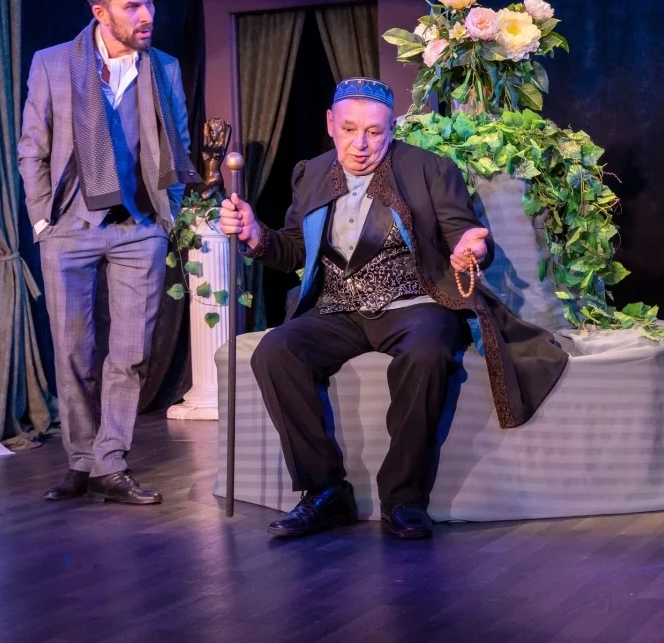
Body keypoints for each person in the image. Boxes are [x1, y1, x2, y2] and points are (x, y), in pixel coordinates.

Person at [218, 77, 568, 539]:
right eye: (349, 130)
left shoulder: (430, 169)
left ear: (392, 128)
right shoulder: (312, 173)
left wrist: (471, 249)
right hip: (338, 306)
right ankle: (324, 491)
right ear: (330, 124)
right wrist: (255, 235)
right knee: (275, 352)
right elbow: (294, 250)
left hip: (415, 302)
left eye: (374, 132)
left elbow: (465, 235)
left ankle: (404, 498)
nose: (360, 144)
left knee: (426, 353)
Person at [18, 0, 199, 504]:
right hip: (69, 225)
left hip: (139, 227)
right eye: (132, 6)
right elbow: (33, 147)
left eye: (150, 3)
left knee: (130, 353)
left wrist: (168, 215)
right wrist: (42, 219)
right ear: (101, 12)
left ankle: (111, 461)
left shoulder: (163, 67)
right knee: (73, 350)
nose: (147, 15)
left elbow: (179, 144)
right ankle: (80, 459)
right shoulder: (53, 63)